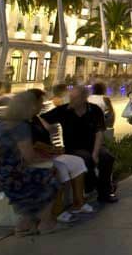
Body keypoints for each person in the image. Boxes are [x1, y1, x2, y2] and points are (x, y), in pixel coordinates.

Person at [0, 91, 59, 236]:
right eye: (38, 105)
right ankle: (44, 223)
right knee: (50, 176)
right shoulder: (20, 126)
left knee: (31, 176)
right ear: (30, 107)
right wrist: (48, 159)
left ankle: (25, 224)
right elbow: (29, 158)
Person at [25, 89, 94, 223]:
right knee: (60, 168)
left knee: (78, 162)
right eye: (40, 102)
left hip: (48, 154)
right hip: (36, 158)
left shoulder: (35, 118)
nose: (42, 105)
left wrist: (55, 149)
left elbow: (46, 134)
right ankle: (57, 211)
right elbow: (33, 144)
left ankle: (78, 203)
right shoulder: (23, 121)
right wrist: (53, 149)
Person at [41, 86, 118, 203]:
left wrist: (95, 153)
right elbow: (41, 119)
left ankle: (104, 193)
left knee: (107, 157)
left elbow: (99, 133)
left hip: (93, 145)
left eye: (75, 98)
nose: (72, 100)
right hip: (73, 147)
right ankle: (93, 186)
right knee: (86, 159)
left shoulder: (95, 110)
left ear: (84, 98)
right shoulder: (63, 110)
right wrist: (48, 128)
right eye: (71, 97)